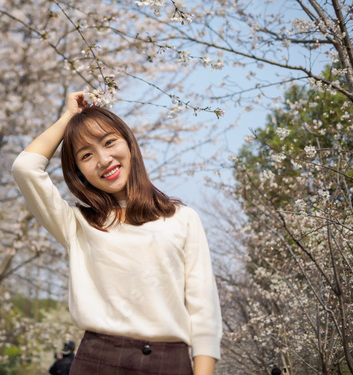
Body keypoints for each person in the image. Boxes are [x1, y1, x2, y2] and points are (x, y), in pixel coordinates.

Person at [12, 92, 222, 375]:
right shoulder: (77, 225)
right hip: (97, 361)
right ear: (79, 173)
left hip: (169, 363)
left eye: (109, 142)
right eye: (86, 155)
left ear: (129, 143)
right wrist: (68, 118)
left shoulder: (182, 218)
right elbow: (25, 168)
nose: (103, 159)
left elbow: (204, 311)